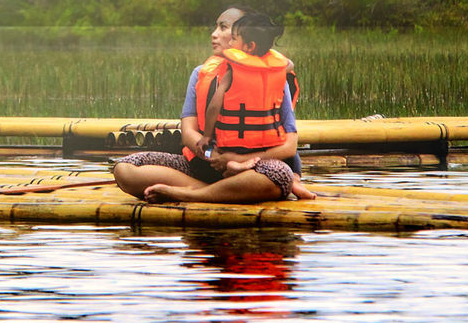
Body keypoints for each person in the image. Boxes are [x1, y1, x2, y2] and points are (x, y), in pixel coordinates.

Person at [113, 11, 316, 203]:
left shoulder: (274, 75)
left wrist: (238, 159)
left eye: (224, 28)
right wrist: (215, 157)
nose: (214, 34)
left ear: (248, 40)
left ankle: (192, 194)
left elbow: (289, 146)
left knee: (279, 176)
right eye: (215, 27)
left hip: (253, 167)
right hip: (206, 164)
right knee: (125, 169)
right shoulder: (201, 73)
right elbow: (189, 133)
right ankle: (215, 191)